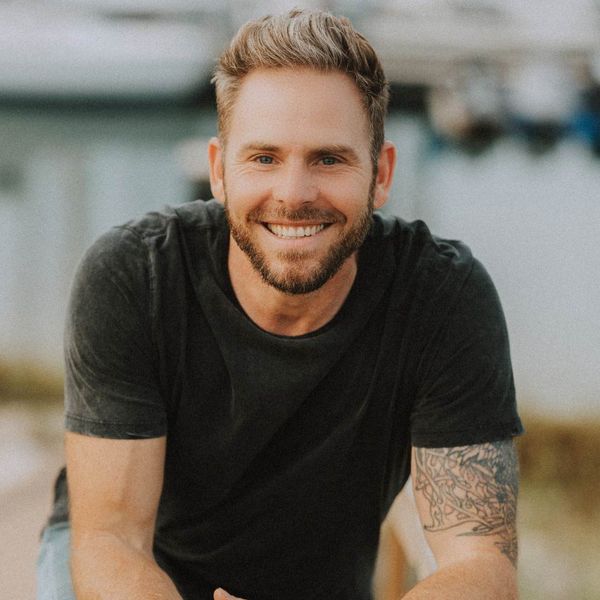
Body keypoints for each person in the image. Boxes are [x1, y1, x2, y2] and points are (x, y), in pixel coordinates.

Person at [37, 9, 523, 600]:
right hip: (134, 568)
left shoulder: (442, 297)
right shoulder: (136, 276)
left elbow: (480, 559)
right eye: (264, 158)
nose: (294, 195)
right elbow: (112, 541)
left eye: (329, 159)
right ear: (218, 172)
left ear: (381, 174)